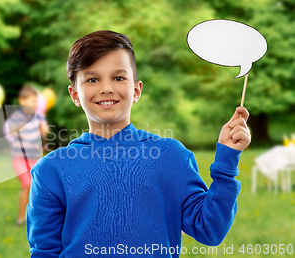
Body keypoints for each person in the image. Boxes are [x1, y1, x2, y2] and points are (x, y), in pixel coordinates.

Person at [26, 30, 251, 257]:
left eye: (119, 77)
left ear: (136, 90)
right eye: (92, 79)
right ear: (75, 94)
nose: (107, 88)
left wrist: (226, 162)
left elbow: (209, 229)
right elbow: (44, 251)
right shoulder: (50, 170)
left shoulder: (172, 157)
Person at [6, 85, 49, 227]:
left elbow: (44, 130)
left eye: (36, 101)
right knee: (27, 184)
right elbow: (11, 133)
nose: (35, 104)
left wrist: (44, 129)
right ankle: (21, 218)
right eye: (31, 101)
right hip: (19, 157)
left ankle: (35, 215)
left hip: (34, 157)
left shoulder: (39, 115)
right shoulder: (17, 117)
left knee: (37, 187)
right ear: (22, 101)